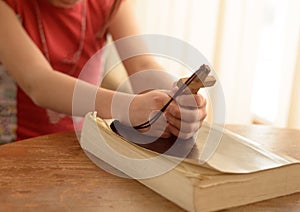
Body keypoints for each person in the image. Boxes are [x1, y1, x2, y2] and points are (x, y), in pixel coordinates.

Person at [0, 0, 207, 143]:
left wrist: (176, 101)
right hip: (13, 148)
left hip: (80, 144)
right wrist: (129, 108)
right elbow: (38, 82)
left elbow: (141, 65)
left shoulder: (108, 4)